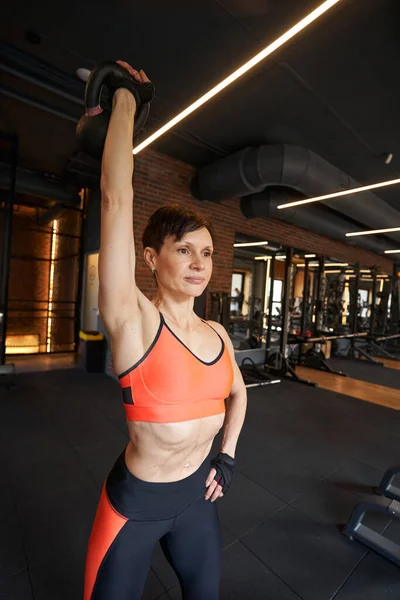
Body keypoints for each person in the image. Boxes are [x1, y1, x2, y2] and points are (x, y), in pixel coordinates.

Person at [83, 61, 247, 600]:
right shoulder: (134, 323)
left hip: (197, 502)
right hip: (136, 507)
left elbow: (239, 396)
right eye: (184, 250)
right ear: (151, 258)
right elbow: (115, 196)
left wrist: (226, 456)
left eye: (206, 253)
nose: (199, 264)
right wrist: (128, 98)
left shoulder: (219, 334)